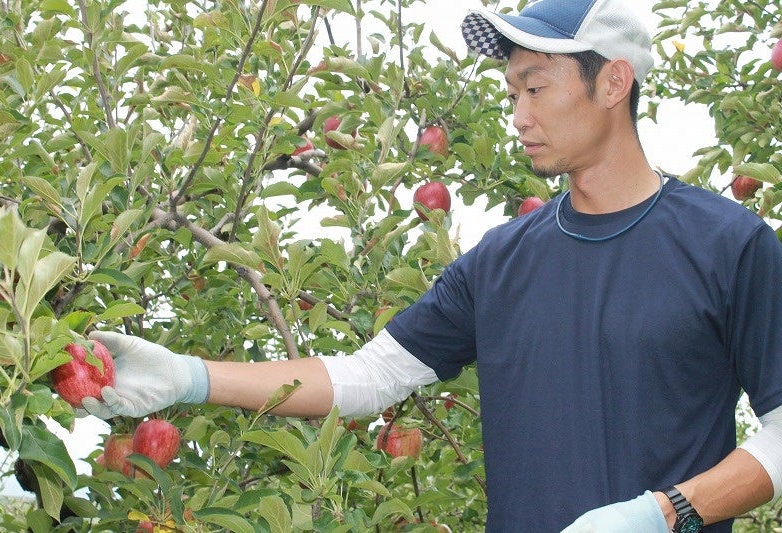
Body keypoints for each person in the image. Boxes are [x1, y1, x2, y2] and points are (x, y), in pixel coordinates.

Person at [81, 0, 782, 530]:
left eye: (536, 88)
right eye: (511, 93)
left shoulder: (727, 244)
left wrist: (667, 512)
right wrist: (192, 374)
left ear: (613, 83)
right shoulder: (502, 261)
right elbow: (369, 375)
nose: (518, 114)